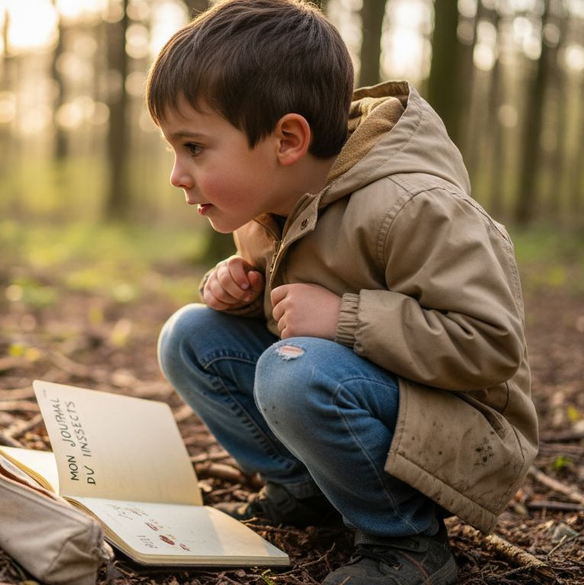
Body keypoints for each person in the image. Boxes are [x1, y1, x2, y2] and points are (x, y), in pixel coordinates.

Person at [146, 1, 539, 584]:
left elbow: (490, 344)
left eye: (195, 148)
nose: (177, 174)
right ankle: (308, 494)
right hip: (360, 396)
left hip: (456, 437)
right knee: (191, 334)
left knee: (293, 368)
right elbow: (294, 312)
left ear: (287, 139)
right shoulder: (269, 205)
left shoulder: (414, 206)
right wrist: (239, 291)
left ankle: (403, 539)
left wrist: (344, 318)